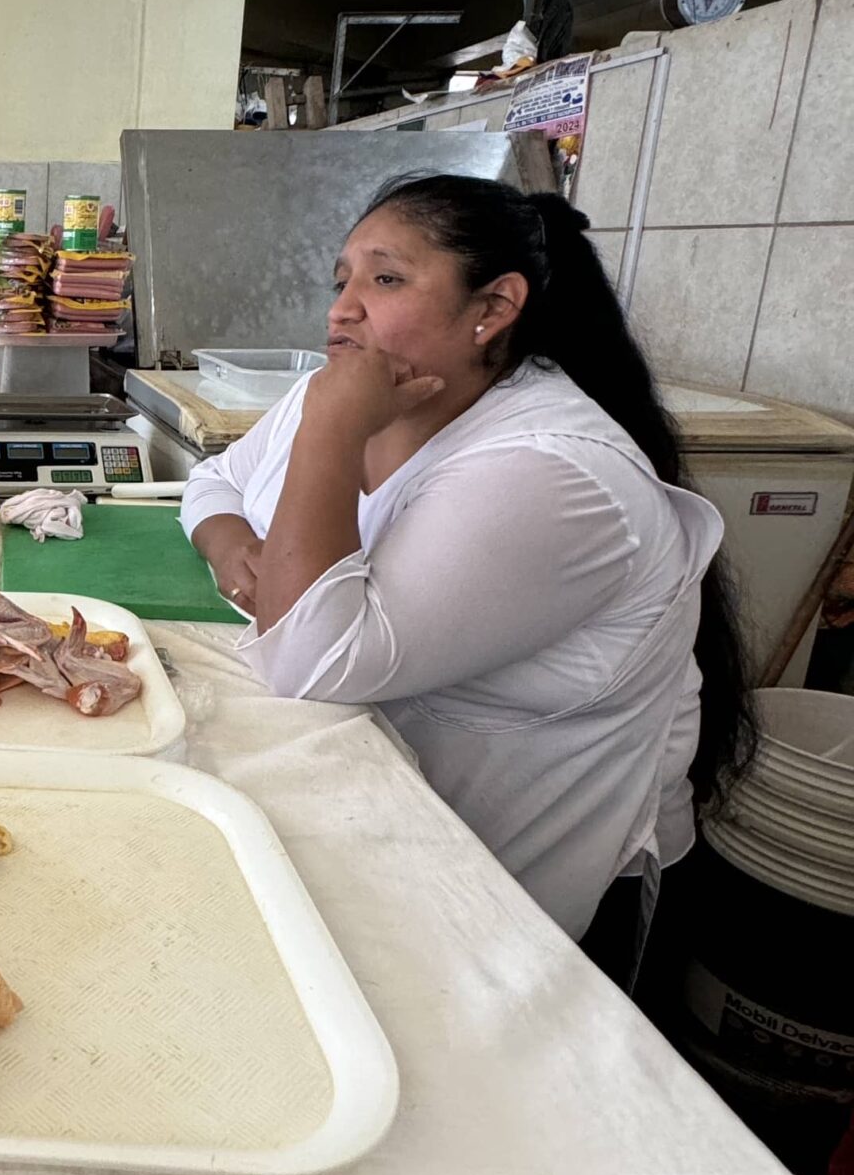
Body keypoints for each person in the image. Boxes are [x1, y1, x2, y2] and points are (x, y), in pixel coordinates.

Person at [181, 176, 753, 959]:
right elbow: (215, 482)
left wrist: (330, 434)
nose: (343, 309)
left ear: (494, 307)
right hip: (385, 835)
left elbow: (311, 661)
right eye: (341, 281)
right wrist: (234, 549)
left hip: (519, 900)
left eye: (386, 279)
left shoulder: (549, 471)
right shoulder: (352, 389)